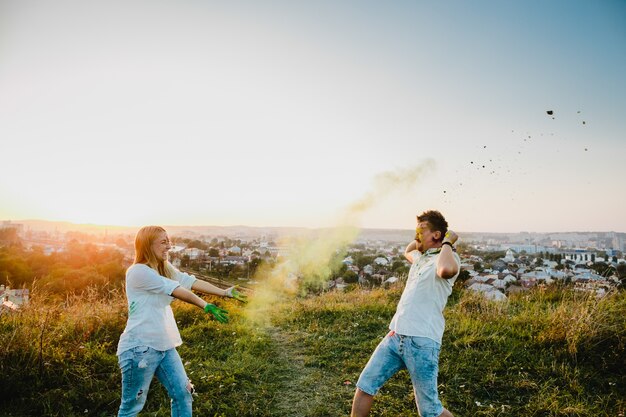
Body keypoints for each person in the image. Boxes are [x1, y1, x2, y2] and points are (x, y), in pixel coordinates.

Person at [116, 225, 247, 417]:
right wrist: (204, 305)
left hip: (164, 345)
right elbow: (176, 289)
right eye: (163, 242)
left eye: (169, 241)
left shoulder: (164, 268)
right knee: (131, 407)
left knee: (183, 393)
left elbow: (190, 281)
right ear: (147, 245)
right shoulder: (138, 272)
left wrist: (224, 292)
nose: (169, 246)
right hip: (139, 349)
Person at [351, 210, 460, 417]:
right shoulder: (420, 258)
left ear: (436, 235)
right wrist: (419, 236)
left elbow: (446, 271)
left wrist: (447, 243)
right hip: (395, 335)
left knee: (430, 410)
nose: (416, 235)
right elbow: (408, 250)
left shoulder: (448, 257)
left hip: (422, 341)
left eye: (421, 230)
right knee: (365, 385)